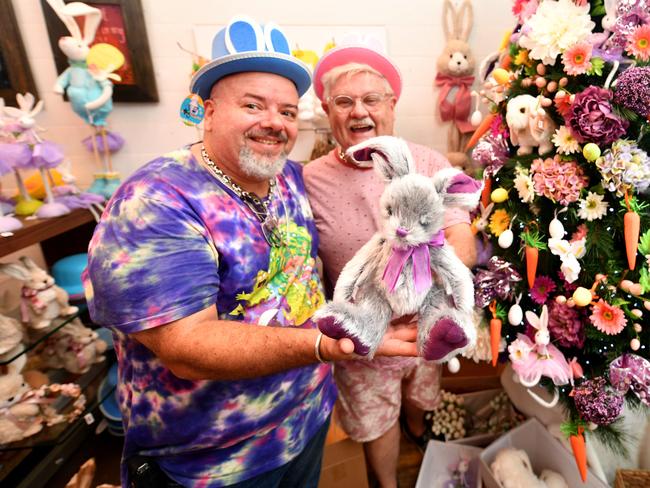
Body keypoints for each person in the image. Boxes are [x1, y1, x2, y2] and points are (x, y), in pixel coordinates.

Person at [83, 18, 417, 488]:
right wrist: (324, 344)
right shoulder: (156, 200)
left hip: (305, 423)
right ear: (209, 111)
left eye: (285, 110)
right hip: (212, 462)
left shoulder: (291, 181)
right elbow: (187, 347)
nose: (273, 122)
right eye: (252, 105)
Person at [303, 41, 477, 488]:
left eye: (371, 99)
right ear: (327, 110)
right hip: (365, 336)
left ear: (392, 105)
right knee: (376, 425)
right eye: (344, 101)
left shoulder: (427, 162)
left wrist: (425, 290)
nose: (358, 111)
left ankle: (418, 433)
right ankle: (388, 484)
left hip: (425, 324)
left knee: (421, 397)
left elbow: (462, 237)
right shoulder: (308, 180)